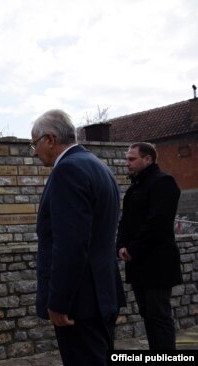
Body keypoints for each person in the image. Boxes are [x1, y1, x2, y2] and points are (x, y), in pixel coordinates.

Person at [31, 109, 125, 366]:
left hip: (79, 304)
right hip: (102, 294)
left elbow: (71, 244)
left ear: (49, 139)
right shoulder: (98, 167)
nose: (34, 152)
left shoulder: (67, 171)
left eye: (34, 143)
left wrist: (59, 302)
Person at [117, 142, 182, 350]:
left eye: (131, 159)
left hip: (157, 264)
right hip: (138, 264)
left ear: (148, 159)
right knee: (148, 316)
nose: (127, 163)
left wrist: (132, 249)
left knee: (159, 317)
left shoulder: (163, 182)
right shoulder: (135, 187)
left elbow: (158, 223)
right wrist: (120, 246)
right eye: (127, 158)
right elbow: (125, 222)